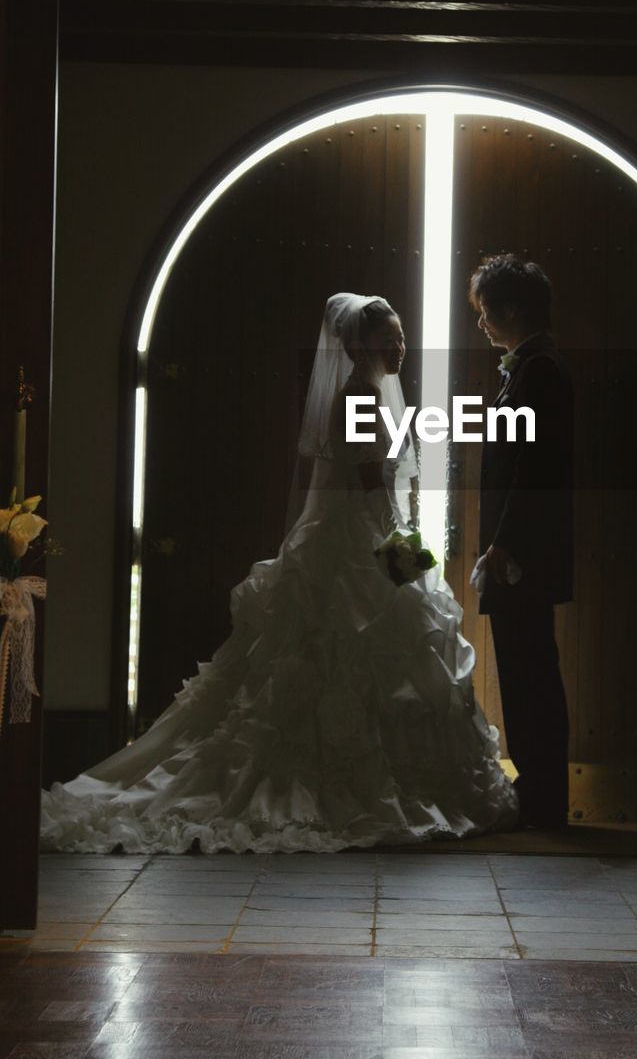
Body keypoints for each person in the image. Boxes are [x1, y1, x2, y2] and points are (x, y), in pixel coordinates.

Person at [41, 293, 517, 853]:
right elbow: (372, 494)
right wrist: (408, 561)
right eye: (388, 339)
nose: (399, 347)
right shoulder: (358, 396)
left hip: (368, 542)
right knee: (339, 658)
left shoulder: (377, 393)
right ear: (357, 345)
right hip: (357, 548)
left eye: (401, 336)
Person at [469, 254, 574, 831]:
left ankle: (544, 799)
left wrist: (504, 544)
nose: (482, 323)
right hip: (520, 553)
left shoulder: (541, 372)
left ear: (511, 310)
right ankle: (538, 790)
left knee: (530, 671)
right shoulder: (528, 368)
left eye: (486, 312)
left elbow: (534, 470)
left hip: (523, 557)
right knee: (526, 669)